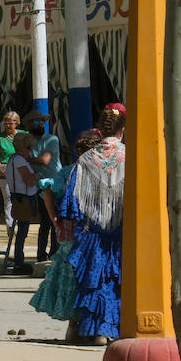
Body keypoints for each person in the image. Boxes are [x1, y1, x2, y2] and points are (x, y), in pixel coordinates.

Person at [60, 110, 125, 344]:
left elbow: (72, 198)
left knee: (92, 280)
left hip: (92, 230)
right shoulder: (130, 156)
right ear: (122, 130)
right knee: (114, 281)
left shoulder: (86, 159)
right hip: (120, 230)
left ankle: (89, 329)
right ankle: (107, 330)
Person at [31, 129, 101, 329]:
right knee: (89, 277)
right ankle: (88, 324)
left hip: (71, 233)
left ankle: (74, 326)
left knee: (71, 278)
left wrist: (54, 219)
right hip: (92, 235)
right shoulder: (100, 175)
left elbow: (47, 189)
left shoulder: (68, 172)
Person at [8, 131, 49, 274]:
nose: (30, 151)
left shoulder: (14, 159)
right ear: (22, 147)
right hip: (23, 198)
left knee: (22, 231)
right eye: (29, 147)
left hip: (20, 197)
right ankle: (19, 263)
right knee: (22, 232)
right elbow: (29, 180)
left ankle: (19, 261)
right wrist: (38, 175)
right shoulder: (19, 160)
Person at [25, 111, 63, 256]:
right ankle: (41, 253)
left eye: (42, 121)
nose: (39, 124)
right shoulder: (28, 142)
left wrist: (27, 159)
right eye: (35, 122)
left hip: (55, 184)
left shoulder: (52, 139)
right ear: (29, 125)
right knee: (44, 222)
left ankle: (54, 252)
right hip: (40, 186)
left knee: (55, 220)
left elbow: (45, 160)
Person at [0, 110, 21, 227]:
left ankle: (19, 222)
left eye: (10, 123)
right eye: (6, 123)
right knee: (8, 197)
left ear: (16, 123)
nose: (7, 125)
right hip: (4, 169)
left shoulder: (23, 135)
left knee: (19, 197)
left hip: (20, 169)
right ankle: (10, 225)